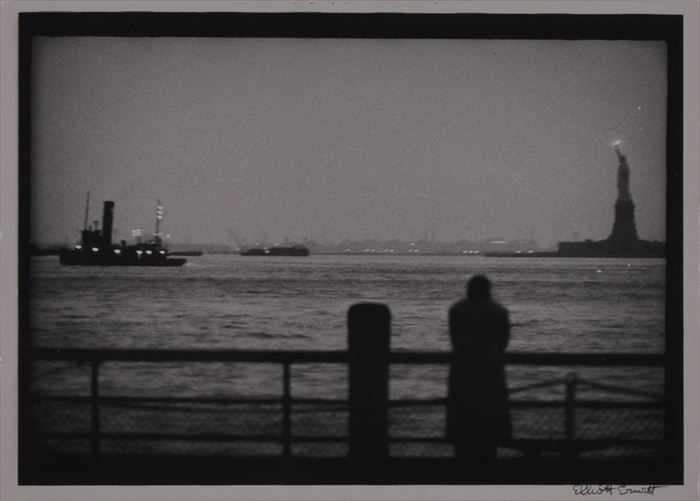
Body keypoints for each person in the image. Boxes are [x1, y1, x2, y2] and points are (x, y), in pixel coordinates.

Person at [447, 275, 511, 464]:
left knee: (463, 426)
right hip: (491, 373)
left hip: (463, 372)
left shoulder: (457, 310)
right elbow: (504, 342)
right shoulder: (499, 311)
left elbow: (455, 339)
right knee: (489, 429)